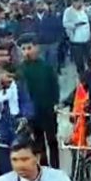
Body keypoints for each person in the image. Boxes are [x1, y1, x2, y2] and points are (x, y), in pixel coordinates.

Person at [19, 34, 60, 168]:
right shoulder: (21, 70)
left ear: (37, 48)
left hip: (47, 109)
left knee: (52, 140)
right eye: (23, 49)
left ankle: (55, 167)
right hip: (33, 112)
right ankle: (44, 166)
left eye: (29, 48)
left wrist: (55, 102)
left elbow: (54, 86)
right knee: (38, 141)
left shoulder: (46, 66)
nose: (27, 52)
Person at [62, 0, 91, 75]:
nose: (80, 4)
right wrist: (75, 25)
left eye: (81, 2)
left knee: (90, 60)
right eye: (78, 2)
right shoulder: (68, 11)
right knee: (79, 62)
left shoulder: (85, 9)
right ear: (73, 2)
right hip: (76, 41)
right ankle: (82, 78)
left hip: (87, 39)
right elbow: (65, 24)